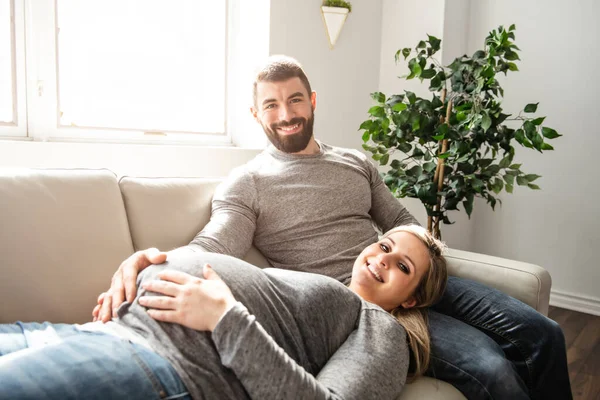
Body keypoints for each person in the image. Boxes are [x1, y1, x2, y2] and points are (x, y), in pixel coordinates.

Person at [93, 55, 572, 399]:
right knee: (491, 369)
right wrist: (154, 258)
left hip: (405, 269)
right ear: (256, 114)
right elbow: (216, 244)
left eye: (295, 99)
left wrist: (421, 253)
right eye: (272, 105)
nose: (286, 115)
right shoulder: (249, 182)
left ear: (312, 99)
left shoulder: (354, 161)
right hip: (365, 303)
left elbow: (401, 221)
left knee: (543, 333)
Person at [0, 226, 447, 400]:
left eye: (403, 266)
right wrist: (140, 262)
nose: (383, 259)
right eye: (384, 245)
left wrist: (224, 318)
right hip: (101, 332)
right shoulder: (320, 283)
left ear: (411, 299)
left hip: (166, 365)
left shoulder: (381, 331)